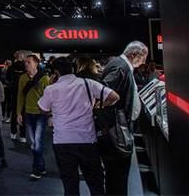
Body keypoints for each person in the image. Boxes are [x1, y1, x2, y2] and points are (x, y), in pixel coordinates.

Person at [39, 57, 120, 196]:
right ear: (73, 69)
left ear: (56, 72)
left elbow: (42, 108)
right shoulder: (88, 83)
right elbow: (114, 97)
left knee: (70, 184)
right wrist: (97, 106)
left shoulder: (51, 89)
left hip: (63, 141)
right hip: (87, 140)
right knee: (95, 183)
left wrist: (54, 110)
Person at [101, 41, 148, 196]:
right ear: (134, 54)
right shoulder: (120, 67)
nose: (144, 63)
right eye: (143, 58)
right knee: (118, 174)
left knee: (118, 174)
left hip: (119, 126)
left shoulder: (121, 65)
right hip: (116, 129)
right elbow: (104, 94)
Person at [17, 53, 51, 180]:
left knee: (38, 142)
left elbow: (49, 98)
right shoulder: (22, 78)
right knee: (33, 143)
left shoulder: (44, 78)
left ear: (36, 63)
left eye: (29, 62)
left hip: (41, 114)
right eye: (25, 62)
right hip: (28, 113)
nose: (26, 64)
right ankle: (41, 167)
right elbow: (20, 96)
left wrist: (50, 114)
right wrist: (18, 113)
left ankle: (36, 169)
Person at [6, 51, 28, 141]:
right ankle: (22, 135)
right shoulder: (25, 67)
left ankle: (13, 132)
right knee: (23, 113)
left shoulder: (11, 67)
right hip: (24, 91)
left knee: (15, 112)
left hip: (15, 92)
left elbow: (8, 78)